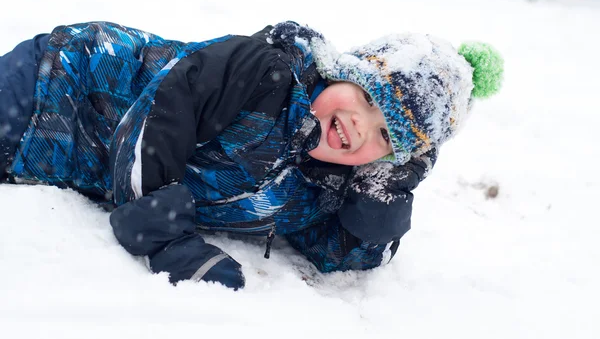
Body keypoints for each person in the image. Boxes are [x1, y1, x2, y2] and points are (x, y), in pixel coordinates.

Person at [0, 21, 503, 290]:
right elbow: (160, 117)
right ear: (343, 71)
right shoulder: (266, 74)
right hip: (62, 80)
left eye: (385, 136)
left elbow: (342, 259)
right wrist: (165, 239)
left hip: (62, 159)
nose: (357, 125)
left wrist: (384, 197)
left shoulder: (323, 190)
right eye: (367, 99)